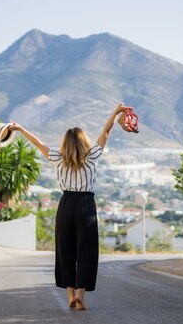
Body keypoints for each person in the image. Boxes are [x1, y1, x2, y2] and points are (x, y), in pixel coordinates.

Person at [8, 103, 131, 311]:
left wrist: (19, 129)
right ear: (84, 142)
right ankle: (81, 294)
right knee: (86, 251)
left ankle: (70, 295)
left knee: (65, 251)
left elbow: (37, 143)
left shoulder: (57, 157)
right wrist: (116, 112)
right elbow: (106, 131)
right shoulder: (91, 156)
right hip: (86, 205)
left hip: (66, 205)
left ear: (66, 142)